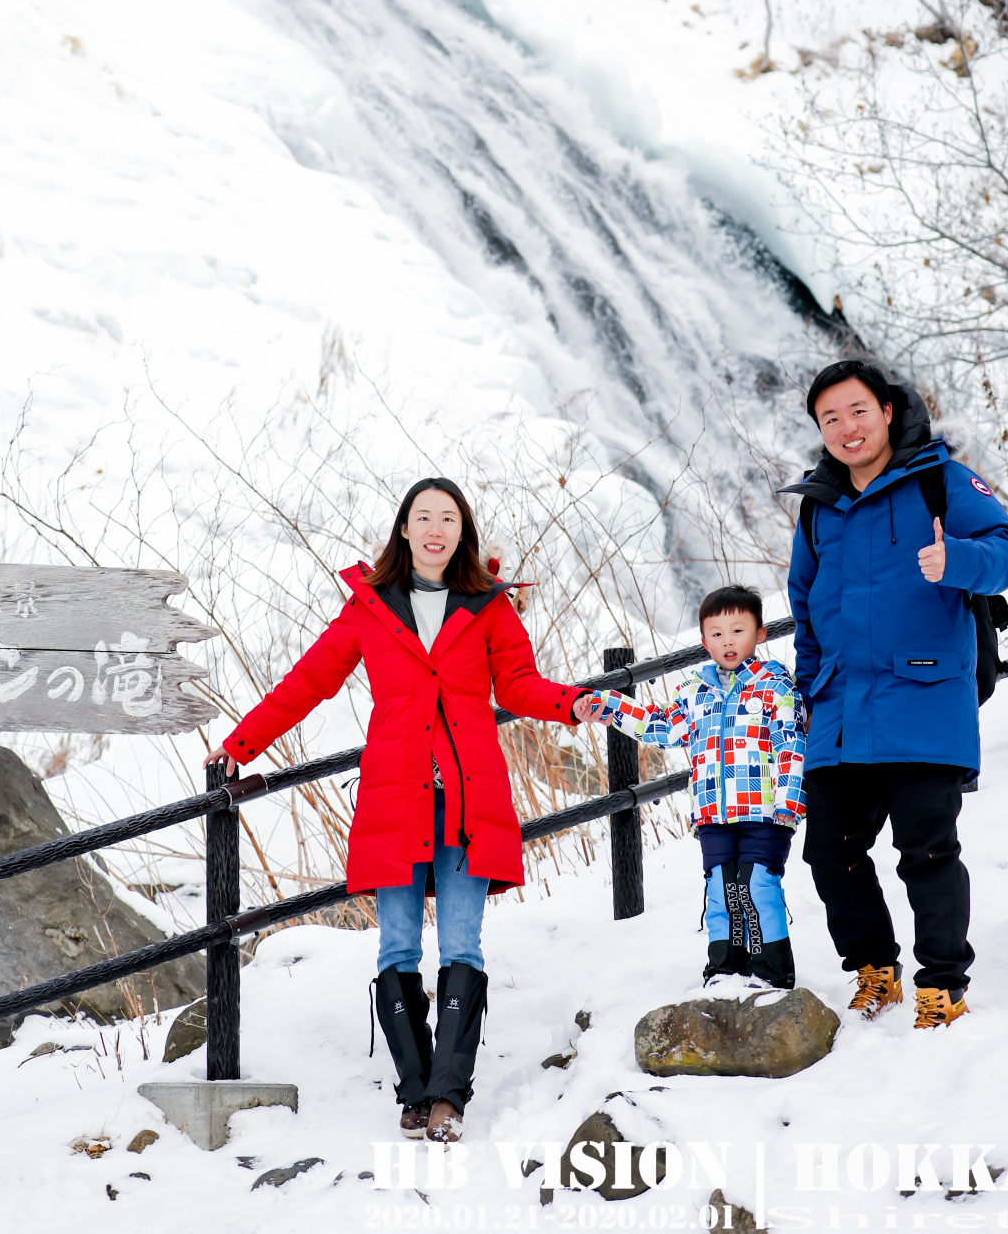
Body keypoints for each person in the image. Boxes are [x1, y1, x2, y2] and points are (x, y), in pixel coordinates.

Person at [204, 478, 591, 1144]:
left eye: (448, 517)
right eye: (423, 517)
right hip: (395, 797)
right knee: (397, 947)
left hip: (470, 798)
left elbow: (520, 685)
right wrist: (241, 744)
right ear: (404, 530)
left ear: (461, 532)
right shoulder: (370, 608)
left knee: (463, 944)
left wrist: (572, 703)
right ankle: (413, 1093)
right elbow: (308, 682)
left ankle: (449, 1096)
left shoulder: (488, 606)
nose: (436, 528)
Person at [784, 358, 1008, 1030]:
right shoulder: (817, 506)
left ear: (887, 411)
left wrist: (958, 563)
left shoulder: (941, 482)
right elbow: (802, 600)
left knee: (925, 850)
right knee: (830, 852)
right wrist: (811, 683)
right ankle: (874, 971)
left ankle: (941, 984)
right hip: (838, 712)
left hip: (923, 698)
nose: (845, 427)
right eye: (829, 418)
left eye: (856, 411)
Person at [576, 584, 805, 989]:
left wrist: (791, 800)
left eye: (738, 631)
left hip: (766, 811)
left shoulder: (775, 685)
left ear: (760, 633)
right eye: (716, 634)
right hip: (714, 812)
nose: (728, 641)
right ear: (704, 641)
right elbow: (658, 725)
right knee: (721, 886)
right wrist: (610, 705)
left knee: (756, 882)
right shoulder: (696, 691)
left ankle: (771, 970)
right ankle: (725, 969)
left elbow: (791, 743)